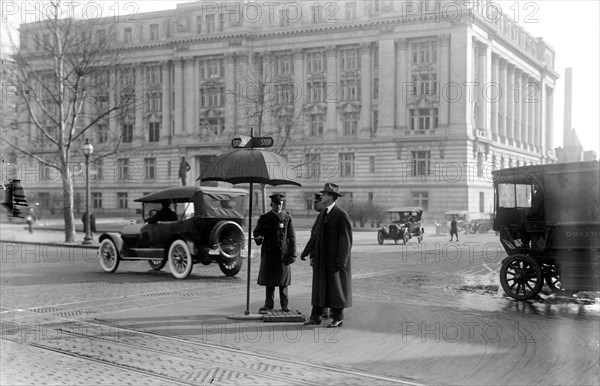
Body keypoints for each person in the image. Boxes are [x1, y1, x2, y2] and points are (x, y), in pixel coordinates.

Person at [304, 183, 352, 328]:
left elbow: (346, 241)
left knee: (335, 289)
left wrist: (341, 262)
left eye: (324, 194)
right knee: (319, 289)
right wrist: (307, 252)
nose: (322, 196)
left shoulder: (341, 214)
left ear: (331, 197)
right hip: (321, 260)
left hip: (334, 261)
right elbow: (315, 236)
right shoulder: (323, 214)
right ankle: (315, 316)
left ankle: (338, 318)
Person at [253, 193, 297, 314]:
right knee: (270, 282)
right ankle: (269, 304)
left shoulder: (287, 218)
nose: (279, 207)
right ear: (271, 204)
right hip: (269, 254)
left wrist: (292, 254)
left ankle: (285, 305)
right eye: (277, 204)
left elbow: (292, 238)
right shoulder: (264, 218)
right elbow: (257, 232)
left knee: (283, 282)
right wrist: (258, 238)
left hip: (283, 255)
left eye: (281, 204)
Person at [300, 193, 329, 320]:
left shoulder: (326, 218)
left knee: (324, 285)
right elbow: (313, 239)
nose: (314, 204)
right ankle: (323, 310)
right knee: (320, 285)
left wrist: (306, 252)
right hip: (317, 258)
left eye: (316, 202)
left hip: (324, 259)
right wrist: (306, 253)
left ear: (322, 203)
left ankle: (325, 310)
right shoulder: (320, 218)